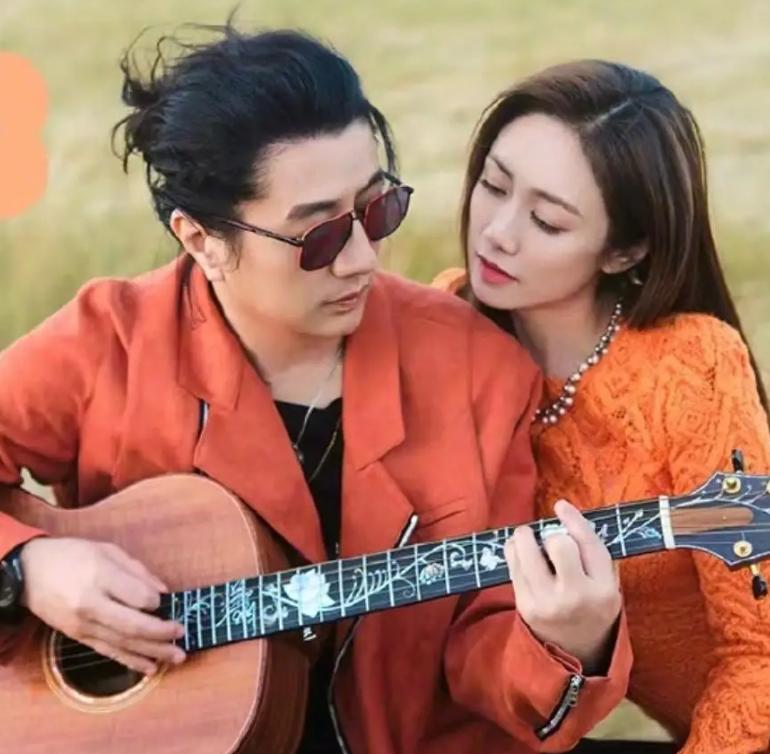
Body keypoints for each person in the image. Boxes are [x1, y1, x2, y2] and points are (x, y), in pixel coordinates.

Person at [0, 27, 631, 754]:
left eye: (377, 209)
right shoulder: (105, 343)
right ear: (201, 240)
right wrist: (27, 567)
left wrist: (568, 643)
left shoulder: (476, 369)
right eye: (321, 237)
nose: (363, 259)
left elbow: (483, 647)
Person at [434, 59, 770, 754]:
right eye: (493, 185)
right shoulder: (446, 321)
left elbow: (760, 657)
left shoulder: (693, 366)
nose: (497, 232)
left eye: (547, 221)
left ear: (624, 250)